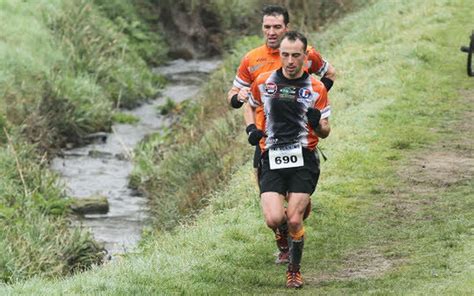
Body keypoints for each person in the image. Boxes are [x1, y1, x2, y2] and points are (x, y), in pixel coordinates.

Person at [227, 4, 336, 265]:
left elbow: (328, 75)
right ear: (262, 28)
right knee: (270, 201)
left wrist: (310, 107)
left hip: (299, 138)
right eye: (267, 27)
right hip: (266, 137)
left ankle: (294, 225)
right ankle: (283, 240)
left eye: (277, 26)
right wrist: (239, 102)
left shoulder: (304, 53)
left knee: (297, 207)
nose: (272, 32)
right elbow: (236, 94)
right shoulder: (252, 59)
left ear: (287, 28)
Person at [247, 31, 331, 288]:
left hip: (304, 157)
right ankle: (282, 234)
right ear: (279, 55)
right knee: (274, 218)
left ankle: (294, 271)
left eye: (296, 55)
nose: (290, 60)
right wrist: (251, 129)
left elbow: (326, 131)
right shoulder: (263, 81)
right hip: (271, 155)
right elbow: (250, 106)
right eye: (285, 55)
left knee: (295, 219)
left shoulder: (316, 88)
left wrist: (318, 125)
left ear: (306, 57)